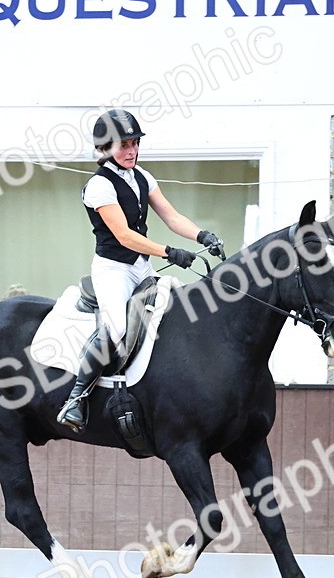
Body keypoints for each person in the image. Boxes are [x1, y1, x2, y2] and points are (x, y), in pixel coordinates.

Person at [56, 109, 224, 432]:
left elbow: (171, 217)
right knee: (118, 328)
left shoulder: (142, 177)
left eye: (135, 143)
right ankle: (76, 398)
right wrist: (169, 252)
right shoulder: (99, 186)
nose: (131, 150)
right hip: (113, 270)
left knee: (173, 313)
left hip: (141, 266)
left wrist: (202, 235)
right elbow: (124, 235)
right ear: (105, 148)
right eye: (124, 145)